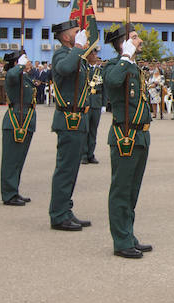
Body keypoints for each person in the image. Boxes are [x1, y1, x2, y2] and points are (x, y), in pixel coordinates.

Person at [101, 23, 153, 259]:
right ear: (123, 43)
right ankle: (121, 240)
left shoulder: (134, 67)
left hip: (140, 134)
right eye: (134, 37)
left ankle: (128, 234)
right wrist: (124, 56)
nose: (139, 40)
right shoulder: (115, 65)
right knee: (121, 189)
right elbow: (111, 83)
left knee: (132, 191)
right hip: (126, 135)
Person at [49, 20, 94, 232]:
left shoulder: (75, 55)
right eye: (77, 32)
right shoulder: (61, 54)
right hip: (68, 119)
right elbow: (65, 68)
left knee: (72, 169)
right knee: (65, 169)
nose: (81, 34)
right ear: (66, 37)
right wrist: (77, 48)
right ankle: (58, 215)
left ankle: (65, 210)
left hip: (78, 119)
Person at [0, 49, 35, 206]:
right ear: (16, 63)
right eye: (24, 59)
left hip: (26, 117)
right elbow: (12, 75)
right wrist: (19, 67)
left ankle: (14, 190)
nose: (28, 62)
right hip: (16, 118)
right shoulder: (14, 75)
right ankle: (8, 194)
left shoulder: (24, 77)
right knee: (11, 159)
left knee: (19, 159)